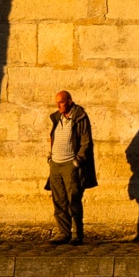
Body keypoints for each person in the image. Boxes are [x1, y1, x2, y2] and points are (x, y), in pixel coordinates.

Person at [46, 90, 97, 245]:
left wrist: (77, 161)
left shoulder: (80, 117)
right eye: (57, 103)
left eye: (61, 102)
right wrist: (50, 157)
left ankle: (77, 234)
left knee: (73, 199)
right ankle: (63, 232)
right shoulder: (57, 117)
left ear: (69, 101)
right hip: (55, 165)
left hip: (70, 165)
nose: (58, 106)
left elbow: (86, 142)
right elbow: (53, 138)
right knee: (59, 200)